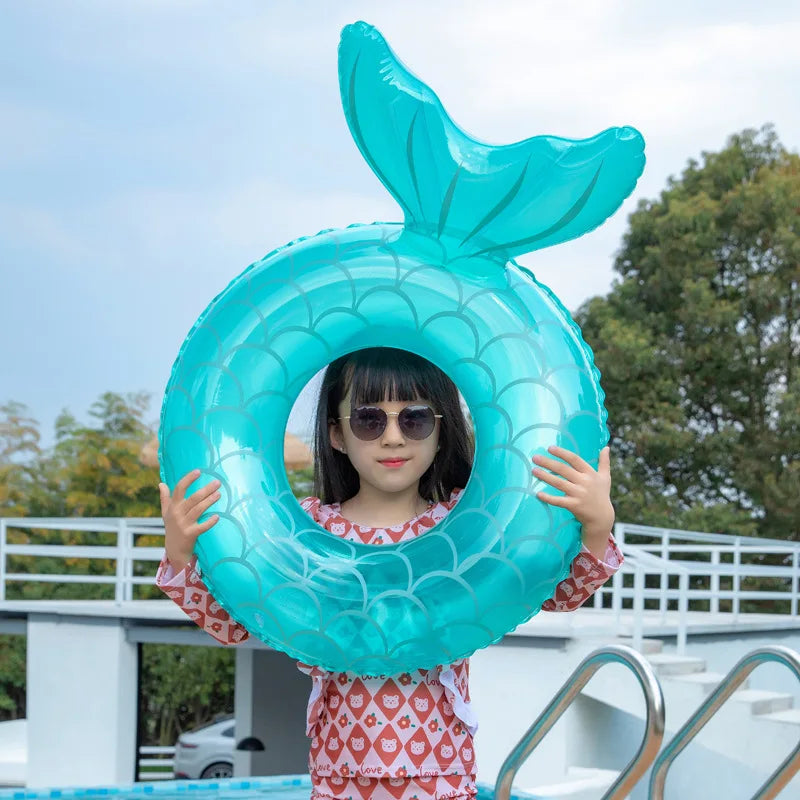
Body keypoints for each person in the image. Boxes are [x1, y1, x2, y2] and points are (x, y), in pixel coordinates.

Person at [156, 347, 622, 800]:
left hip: (440, 775)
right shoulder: (306, 530)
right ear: (337, 434)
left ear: (440, 430)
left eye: (414, 419)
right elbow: (236, 623)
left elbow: (553, 594)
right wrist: (180, 556)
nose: (393, 437)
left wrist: (598, 527)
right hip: (339, 776)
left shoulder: (467, 526)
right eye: (369, 419)